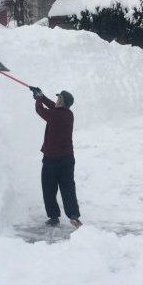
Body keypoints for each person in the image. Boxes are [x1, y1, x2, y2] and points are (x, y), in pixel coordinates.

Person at [29, 86, 82, 228]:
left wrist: (38, 99)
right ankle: (74, 216)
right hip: (67, 159)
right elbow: (54, 107)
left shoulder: (55, 115)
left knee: (48, 189)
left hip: (52, 160)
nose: (57, 100)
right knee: (68, 188)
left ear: (63, 102)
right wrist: (42, 96)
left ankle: (54, 217)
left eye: (59, 98)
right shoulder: (68, 114)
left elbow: (40, 110)